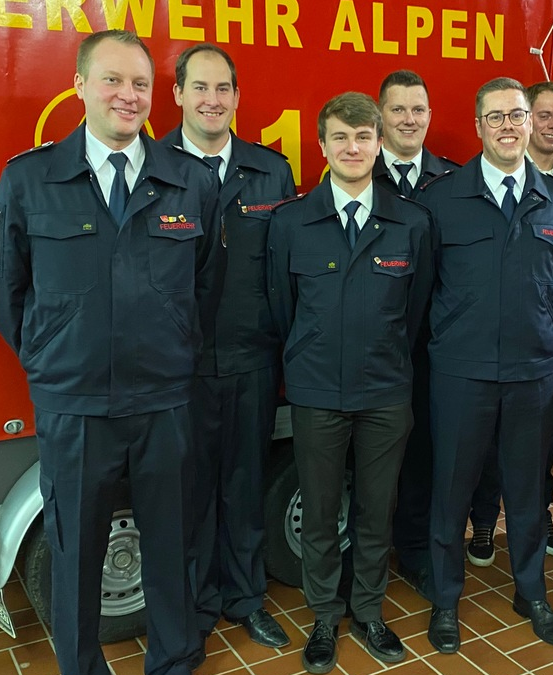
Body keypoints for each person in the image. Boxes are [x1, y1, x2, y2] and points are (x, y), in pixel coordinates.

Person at [0, 30, 223, 675]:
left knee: (170, 542)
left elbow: (206, 286)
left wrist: (176, 346)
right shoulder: (30, 179)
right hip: (75, 404)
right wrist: (50, 353)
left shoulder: (188, 180)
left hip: (165, 398)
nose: (128, 95)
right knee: (76, 550)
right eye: (113, 80)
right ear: (80, 86)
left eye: (140, 84)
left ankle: (175, 659)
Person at [267, 92, 434, 673]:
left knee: (374, 509)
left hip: (387, 393)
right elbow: (282, 309)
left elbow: (415, 312)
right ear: (322, 146)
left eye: (363, 137)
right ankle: (320, 617)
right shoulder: (291, 223)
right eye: (340, 137)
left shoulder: (411, 222)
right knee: (318, 510)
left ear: (379, 143)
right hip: (316, 393)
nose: (353, 147)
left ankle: (367, 610)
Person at [419, 77, 553, 653]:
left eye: (518, 115)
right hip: (460, 373)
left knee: (527, 489)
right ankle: (444, 598)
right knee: (451, 491)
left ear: (532, 122)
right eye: (496, 117)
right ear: (479, 125)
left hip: (533, 373)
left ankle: (530, 589)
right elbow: (422, 295)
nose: (509, 126)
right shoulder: (442, 199)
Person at [161, 44, 296, 653]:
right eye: (200, 88)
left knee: (244, 487)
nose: (212, 100)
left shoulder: (272, 171)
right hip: (174, 369)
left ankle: (245, 600)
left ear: (238, 99)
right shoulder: (149, 165)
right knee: (184, 493)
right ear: (179, 95)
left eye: (223, 90)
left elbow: (288, 269)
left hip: (251, 361)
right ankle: (191, 609)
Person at [464, 80, 553, 568]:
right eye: (542, 115)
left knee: (534, 453)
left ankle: (536, 523)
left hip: (541, 349)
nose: (551, 125)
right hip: (479, 353)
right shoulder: (463, 189)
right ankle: (481, 524)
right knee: (482, 448)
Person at [373, 69, 460, 598]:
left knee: (427, 451)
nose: (409, 119)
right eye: (399, 109)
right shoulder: (355, 174)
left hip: (434, 349)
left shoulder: (452, 183)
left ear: (429, 116)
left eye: (418, 110)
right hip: (374, 348)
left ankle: (415, 550)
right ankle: (366, 555)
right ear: (380, 115)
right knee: (372, 455)